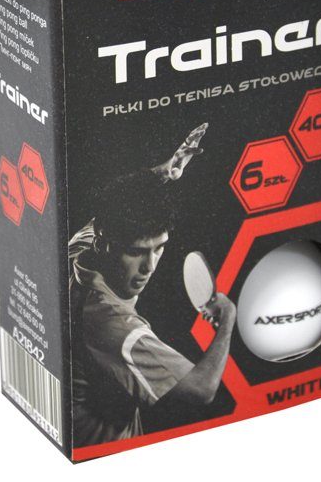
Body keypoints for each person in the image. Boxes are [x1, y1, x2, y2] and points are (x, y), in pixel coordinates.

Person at [69, 123, 236, 447]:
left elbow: (112, 206)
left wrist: (162, 173)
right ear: (106, 245)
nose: (149, 266)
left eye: (159, 248)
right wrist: (228, 317)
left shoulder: (79, 249)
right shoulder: (115, 326)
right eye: (136, 252)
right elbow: (202, 389)